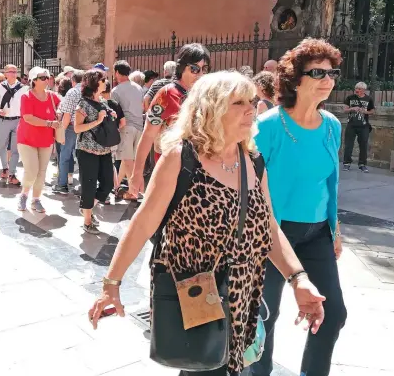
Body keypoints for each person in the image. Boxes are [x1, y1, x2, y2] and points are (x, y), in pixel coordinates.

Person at [89, 71, 327, 376]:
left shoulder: (253, 160)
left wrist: (299, 279)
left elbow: (267, 226)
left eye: (252, 101)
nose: (251, 110)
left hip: (242, 291)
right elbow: (143, 223)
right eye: (238, 103)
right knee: (203, 367)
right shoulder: (181, 157)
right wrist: (111, 284)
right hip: (196, 293)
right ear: (210, 108)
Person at [251, 38, 346, 376]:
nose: (328, 79)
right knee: (263, 316)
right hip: (274, 233)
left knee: (333, 313)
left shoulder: (332, 126)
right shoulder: (269, 126)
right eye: (317, 72)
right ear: (294, 78)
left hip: (317, 232)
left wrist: (335, 229)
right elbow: (249, 186)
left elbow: (330, 183)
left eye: (332, 72)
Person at [130, 43, 210, 196]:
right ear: (182, 68)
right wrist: (137, 173)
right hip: (169, 172)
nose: (199, 74)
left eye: (204, 69)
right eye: (194, 69)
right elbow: (148, 135)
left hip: (199, 172)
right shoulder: (166, 94)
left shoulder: (204, 96)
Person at [74, 69, 117, 234]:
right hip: (87, 150)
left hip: (104, 150)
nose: (106, 82)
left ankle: (87, 207)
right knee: (89, 185)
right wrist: (98, 120)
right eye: (103, 80)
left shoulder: (102, 101)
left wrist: (110, 116)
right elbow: (77, 128)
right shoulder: (83, 103)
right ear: (94, 83)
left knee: (108, 184)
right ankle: (87, 220)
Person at [16, 67, 61, 213]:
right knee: (31, 170)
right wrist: (49, 123)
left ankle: (36, 199)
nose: (47, 80)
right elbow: (28, 118)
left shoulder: (53, 96)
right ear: (34, 80)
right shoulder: (26, 96)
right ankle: (24, 194)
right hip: (27, 138)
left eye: (48, 77)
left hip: (46, 139)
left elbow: (63, 105)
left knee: (42, 171)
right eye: (43, 78)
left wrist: (60, 112)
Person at [112, 60, 145, 201]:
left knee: (128, 161)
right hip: (139, 126)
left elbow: (115, 113)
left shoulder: (116, 91)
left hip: (126, 127)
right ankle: (117, 185)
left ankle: (134, 192)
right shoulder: (139, 88)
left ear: (117, 73)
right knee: (129, 161)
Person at [0, 64, 28, 186]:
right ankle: (5, 168)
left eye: (15, 71)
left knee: (15, 149)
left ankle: (12, 173)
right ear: (5, 73)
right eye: (11, 71)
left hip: (18, 120)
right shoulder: (0, 87)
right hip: (3, 120)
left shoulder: (23, 88)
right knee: (2, 146)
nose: (13, 74)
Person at [53, 70, 84, 194]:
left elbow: (67, 114)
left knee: (65, 156)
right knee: (83, 158)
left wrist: (62, 131)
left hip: (71, 127)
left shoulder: (72, 92)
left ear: (73, 80)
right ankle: (84, 185)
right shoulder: (89, 91)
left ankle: (62, 185)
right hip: (86, 127)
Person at [342, 81, 374, 173]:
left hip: (364, 126)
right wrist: (352, 108)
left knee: (363, 145)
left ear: (364, 90)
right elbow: (344, 110)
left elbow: (372, 111)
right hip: (351, 124)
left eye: (359, 89)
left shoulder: (369, 99)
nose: (357, 90)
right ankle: (346, 163)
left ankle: (362, 164)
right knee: (348, 145)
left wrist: (365, 112)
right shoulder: (350, 98)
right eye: (356, 88)